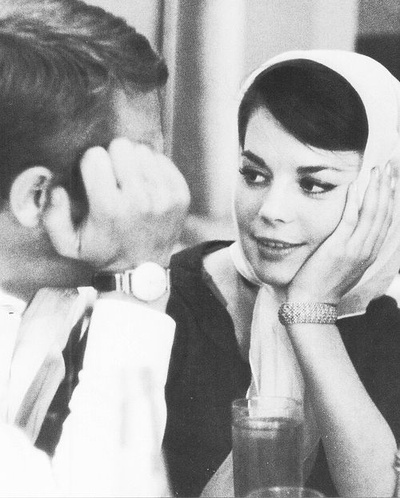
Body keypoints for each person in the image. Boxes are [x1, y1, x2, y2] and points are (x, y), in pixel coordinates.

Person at [164, 50, 400, 497]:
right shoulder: (165, 301)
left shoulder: (388, 329)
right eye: (254, 175)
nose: (271, 210)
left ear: (381, 195)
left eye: (314, 185)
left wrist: (310, 314)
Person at [0, 0, 189, 495]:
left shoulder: (37, 300)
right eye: (138, 163)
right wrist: (138, 279)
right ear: (38, 196)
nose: (166, 194)